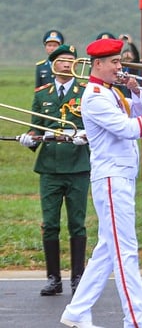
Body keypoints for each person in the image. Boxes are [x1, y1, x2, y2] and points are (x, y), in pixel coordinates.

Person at [60, 37, 142, 328]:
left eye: (120, 61)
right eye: (114, 62)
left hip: (120, 176)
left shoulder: (111, 91)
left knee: (106, 249)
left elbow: (136, 115)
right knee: (125, 249)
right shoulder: (96, 96)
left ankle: (76, 312)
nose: (120, 66)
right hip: (112, 179)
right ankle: (136, 318)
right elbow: (130, 129)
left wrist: (138, 94)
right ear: (98, 64)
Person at [21, 44, 88, 296]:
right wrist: (29, 138)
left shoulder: (86, 92)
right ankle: (53, 278)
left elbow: (97, 125)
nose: (66, 64)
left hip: (78, 165)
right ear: (53, 65)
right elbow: (35, 127)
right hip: (49, 167)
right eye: (61, 60)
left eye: (71, 60)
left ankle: (78, 278)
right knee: (50, 224)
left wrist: (86, 135)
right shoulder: (42, 94)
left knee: (77, 223)